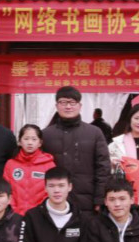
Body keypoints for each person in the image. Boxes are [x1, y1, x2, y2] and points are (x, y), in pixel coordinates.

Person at [42, 86, 111, 215]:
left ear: (80, 106)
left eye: (72, 102)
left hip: (87, 203)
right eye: (63, 102)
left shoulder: (94, 133)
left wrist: (100, 199)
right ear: (57, 106)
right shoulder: (45, 135)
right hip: (54, 203)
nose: (68, 106)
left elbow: (103, 168)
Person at [3, 124, 56, 215]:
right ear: (19, 142)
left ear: (40, 143)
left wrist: (40, 211)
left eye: (34, 139)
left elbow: (51, 191)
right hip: (14, 215)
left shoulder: (49, 164)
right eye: (26, 139)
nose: (30, 142)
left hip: (40, 215)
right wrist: (14, 211)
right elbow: (6, 189)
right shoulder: (10, 164)